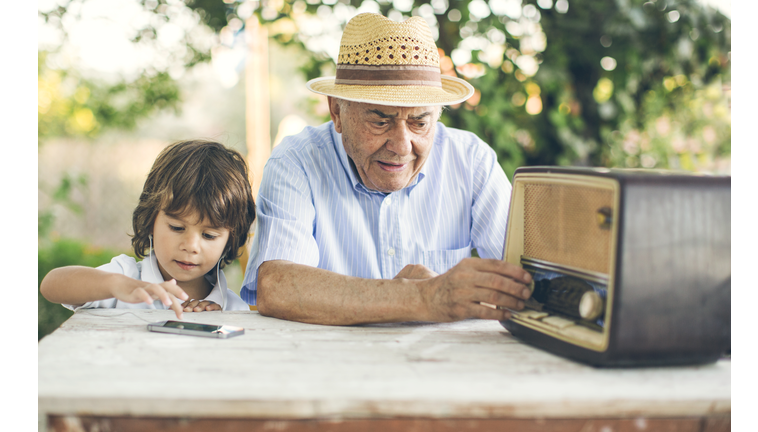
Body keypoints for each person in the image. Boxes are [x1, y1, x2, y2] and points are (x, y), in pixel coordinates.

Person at [240, 13, 532, 325]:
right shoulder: (296, 161)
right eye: (380, 121)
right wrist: (423, 297)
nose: (402, 146)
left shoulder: (472, 161)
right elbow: (277, 287)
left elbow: (529, 279)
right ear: (337, 111)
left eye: (420, 122)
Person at [41, 140, 257, 319]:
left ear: (230, 239)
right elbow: (51, 285)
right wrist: (116, 284)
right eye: (177, 227)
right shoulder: (127, 277)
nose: (190, 246)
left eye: (209, 235)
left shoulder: (234, 309)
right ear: (150, 218)